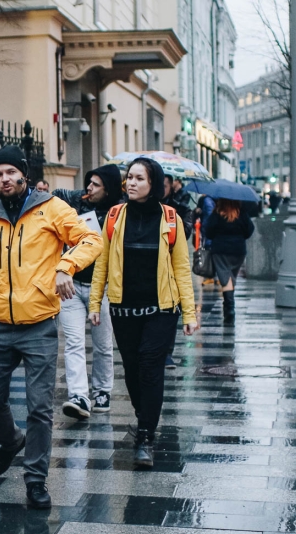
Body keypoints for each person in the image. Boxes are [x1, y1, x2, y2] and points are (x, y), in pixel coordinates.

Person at [0, 145, 102, 509]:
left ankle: (35, 479)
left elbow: (92, 239)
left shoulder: (51, 208)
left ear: (23, 174)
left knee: (39, 407)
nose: (5, 179)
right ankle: (12, 441)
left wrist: (66, 266)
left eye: (11, 172)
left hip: (39, 325)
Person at [88, 157, 197, 469]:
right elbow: (102, 263)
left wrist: (188, 313)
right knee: (133, 372)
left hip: (161, 310)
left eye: (139, 179)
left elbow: (182, 269)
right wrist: (95, 304)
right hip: (124, 310)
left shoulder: (171, 219)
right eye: (129, 178)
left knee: (151, 367)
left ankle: (145, 436)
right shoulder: (114, 216)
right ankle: (143, 416)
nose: (131, 183)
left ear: (153, 185)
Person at [51, 165, 122, 418]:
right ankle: (79, 396)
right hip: (70, 284)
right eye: (88, 183)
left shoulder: (119, 212)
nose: (89, 188)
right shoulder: (79, 203)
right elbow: (58, 193)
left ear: (110, 189)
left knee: (102, 343)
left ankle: (102, 390)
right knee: (73, 342)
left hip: (101, 289)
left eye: (96, 185)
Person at [162, 174, 195, 369]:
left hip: (171, 268)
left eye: (164, 185)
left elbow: (186, 233)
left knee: (170, 311)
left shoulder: (180, 208)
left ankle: (167, 353)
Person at [204, 199, 255, 325]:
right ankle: (229, 305)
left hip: (221, 250)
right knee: (231, 278)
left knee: (226, 279)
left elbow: (208, 232)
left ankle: (229, 308)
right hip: (238, 251)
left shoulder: (217, 213)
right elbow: (249, 230)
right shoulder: (241, 213)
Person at [194, 194, 217, 286]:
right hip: (212, 233)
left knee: (209, 252)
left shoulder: (207, 200)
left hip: (208, 232)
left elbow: (209, 216)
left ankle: (210, 276)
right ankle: (214, 277)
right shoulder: (212, 199)